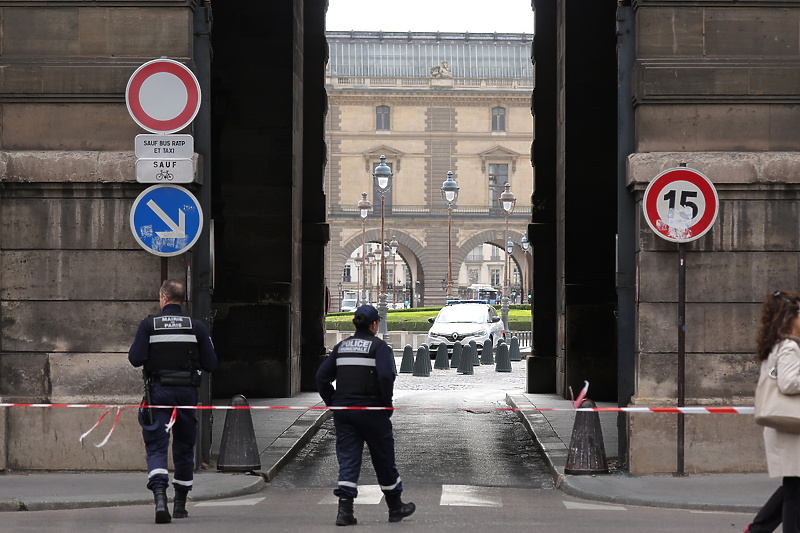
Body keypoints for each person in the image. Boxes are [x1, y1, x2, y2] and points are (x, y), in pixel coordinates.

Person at [316, 304, 415, 526]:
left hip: (344, 412)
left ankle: (345, 511)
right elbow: (386, 376)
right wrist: (386, 405)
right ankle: (395, 507)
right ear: (374, 324)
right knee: (383, 457)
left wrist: (333, 402)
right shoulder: (379, 347)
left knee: (348, 459)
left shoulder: (341, 347)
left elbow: (321, 377)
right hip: (372, 410)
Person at [128, 279, 217, 524]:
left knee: (156, 444)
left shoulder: (149, 325)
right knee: (185, 445)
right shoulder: (196, 327)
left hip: (158, 392)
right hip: (187, 393)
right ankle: (180, 505)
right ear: (182, 299)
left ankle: (159, 498)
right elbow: (211, 363)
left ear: (164, 298)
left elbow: (135, 359)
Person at [744, 291, 800, 533]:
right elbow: (789, 383)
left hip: (785, 425)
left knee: (793, 486)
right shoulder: (789, 347)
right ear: (790, 317)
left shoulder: (776, 345)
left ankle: (757, 530)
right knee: (795, 488)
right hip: (792, 427)